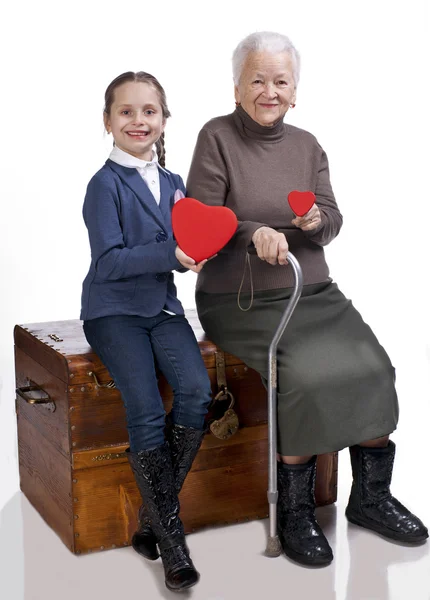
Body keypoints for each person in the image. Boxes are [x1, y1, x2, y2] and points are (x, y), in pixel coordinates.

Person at [187, 32, 428, 567]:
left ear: (295, 91)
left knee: (374, 368)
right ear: (236, 87)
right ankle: (295, 511)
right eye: (257, 79)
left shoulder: (308, 145)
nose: (268, 90)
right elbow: (201, 218)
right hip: (241, 298)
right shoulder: (217, 137)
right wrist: (252, 231)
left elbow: (333, 217)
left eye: (280, 80)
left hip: (311, 288)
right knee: (302, 377)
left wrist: (317, 220)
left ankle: (371, 498)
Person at [80, 71, 212, 592]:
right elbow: (108, 261)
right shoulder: (103, 184)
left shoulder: (175, 182)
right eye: (126, 112)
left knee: (198, 393)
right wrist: (174, 254)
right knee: (146, 411)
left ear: (164, 119)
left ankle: (150, 523)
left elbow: (185, 244)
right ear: (108, 122)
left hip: (162, 309)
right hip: (113, 312)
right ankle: (171, 540)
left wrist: (201, 252)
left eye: (149, 111)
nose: (139, 121)